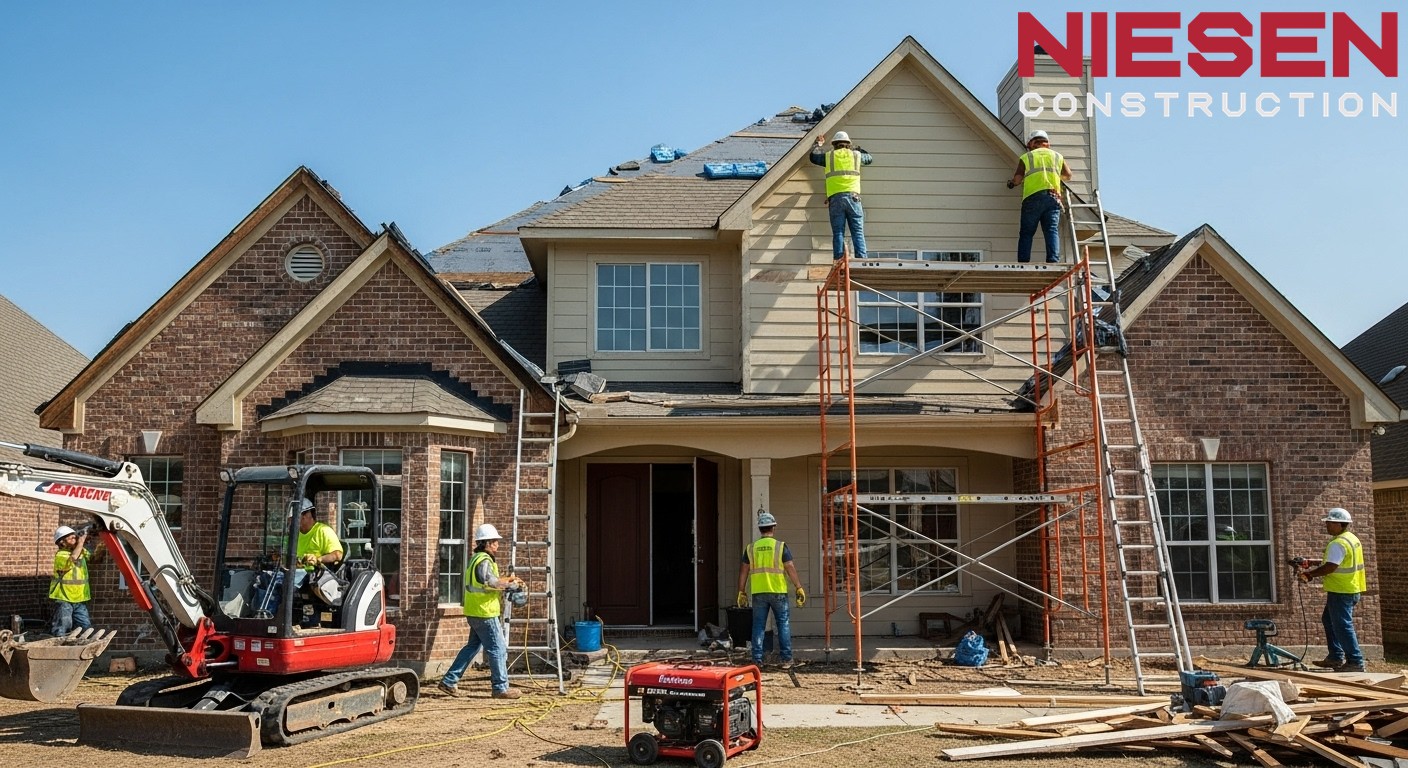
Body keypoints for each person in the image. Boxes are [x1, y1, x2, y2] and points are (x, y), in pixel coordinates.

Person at [439, 523, 525, 699]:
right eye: (495, 542)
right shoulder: (484, 561)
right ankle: (501, 688)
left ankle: (449, 680)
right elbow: (490, 582)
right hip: (485, 613)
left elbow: (485, 581)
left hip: (475, 611)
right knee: (497, 648)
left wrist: (508, 579)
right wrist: (512, 585)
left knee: (472, 647)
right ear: (486, 543)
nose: (497, 545)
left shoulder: (476, 559)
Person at [1297, 507, 1366, 673]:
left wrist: (1309, 574)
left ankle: (1355, 661)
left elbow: (1331, 566)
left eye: (1329, 522)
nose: (1326, 525)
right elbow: (1337, 561)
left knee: (1343, 625)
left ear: (1339, 524)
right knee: (1329, 620)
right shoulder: (1351, 538)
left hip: (1341, 591)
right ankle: (1335, 656)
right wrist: (1312, 562)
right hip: (1351, 588)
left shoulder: (1338, 543)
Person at [253, 498, 343, 621]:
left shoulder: (323, 531)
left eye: (294, 519)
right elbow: (285, 554)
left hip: (313, 574)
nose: (291, 523)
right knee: (264, 577)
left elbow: (337, 555)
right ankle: (262, 615)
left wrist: (318, 559)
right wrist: (278, 556)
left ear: (306, 515)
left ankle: (270, 617)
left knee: (281, 580)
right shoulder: (294, 534)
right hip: (293, 571)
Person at [737, 511, 806, 669]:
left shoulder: (751, 548)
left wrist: (741, 591)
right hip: (778, 592)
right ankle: (786, 659)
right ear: (773, 528)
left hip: (758, 592)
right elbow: (790, 567)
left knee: (758, 626)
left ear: (760, 529)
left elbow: (743, 571)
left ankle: (757, 660)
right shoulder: (780, 546)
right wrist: (798, 587)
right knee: (783, 624)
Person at [1008, 130, 1073, 264]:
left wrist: (1012, 183)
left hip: (1032, 197)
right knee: (1051, 230)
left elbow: (1018, 179)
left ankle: (1023, 262)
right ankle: (1053, 260)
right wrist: (1054, 177)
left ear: (1032, 143)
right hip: (1053, 197)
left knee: (1027, 232)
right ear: (1046, 143)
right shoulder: (1057, 156)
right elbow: (1068, 175)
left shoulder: (1027, 157)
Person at [809, 130, 873, 260]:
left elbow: (813, 156)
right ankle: (862, 259)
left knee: (838, 232)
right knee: (858, 232)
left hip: (836, 199)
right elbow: (870, 158)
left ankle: (838, 259)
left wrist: (818, 144)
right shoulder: (855, 155)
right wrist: (858, 149)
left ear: (834, 144)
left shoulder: (829, 156)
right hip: (853, 198)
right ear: (848, 144)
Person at [50, 524, 103, 636]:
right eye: (71, 537)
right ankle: (58, 650)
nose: (75, 539)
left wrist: (102, 543)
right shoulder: (61, 555)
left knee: (85, 628)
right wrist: (81, 542)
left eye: (75, 537)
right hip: (64, 599)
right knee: (62, 628)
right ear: (62, 542)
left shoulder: (81, 551)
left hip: (79, 599)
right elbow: (73, 558)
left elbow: (94, 559)